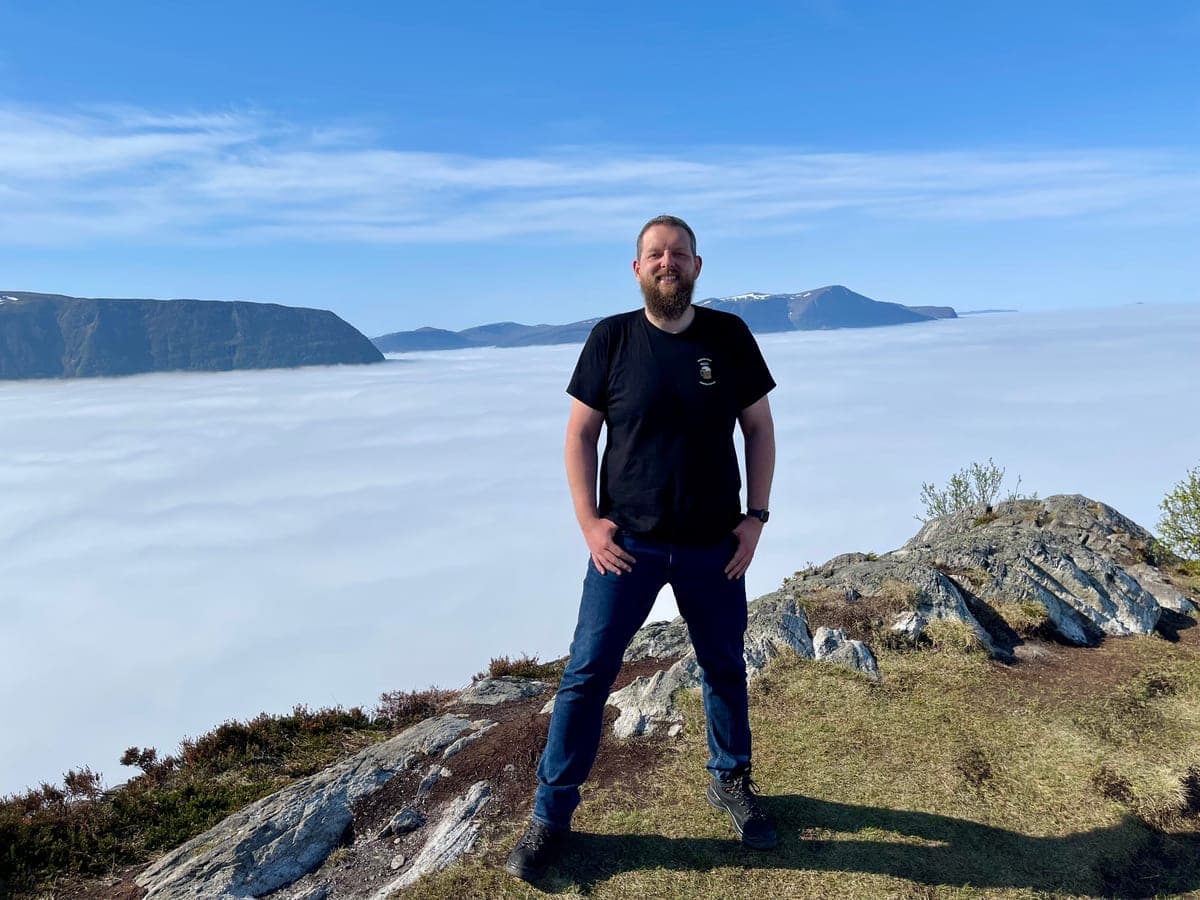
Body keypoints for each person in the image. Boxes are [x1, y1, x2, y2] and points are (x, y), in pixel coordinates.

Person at [505, 214, 778, 882]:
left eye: (678, 254)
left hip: (714, 545)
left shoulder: (729, 336)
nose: (668, 263)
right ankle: (550, 817)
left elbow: (760, 430)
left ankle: (730, 780)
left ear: (697, 266)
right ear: (637, 269)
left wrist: (756, 518)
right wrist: (589, 523)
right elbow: (579, 437)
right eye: (655, 254)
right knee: (586, 675)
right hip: (624, 546)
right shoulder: (612, 339)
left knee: (722, 667)